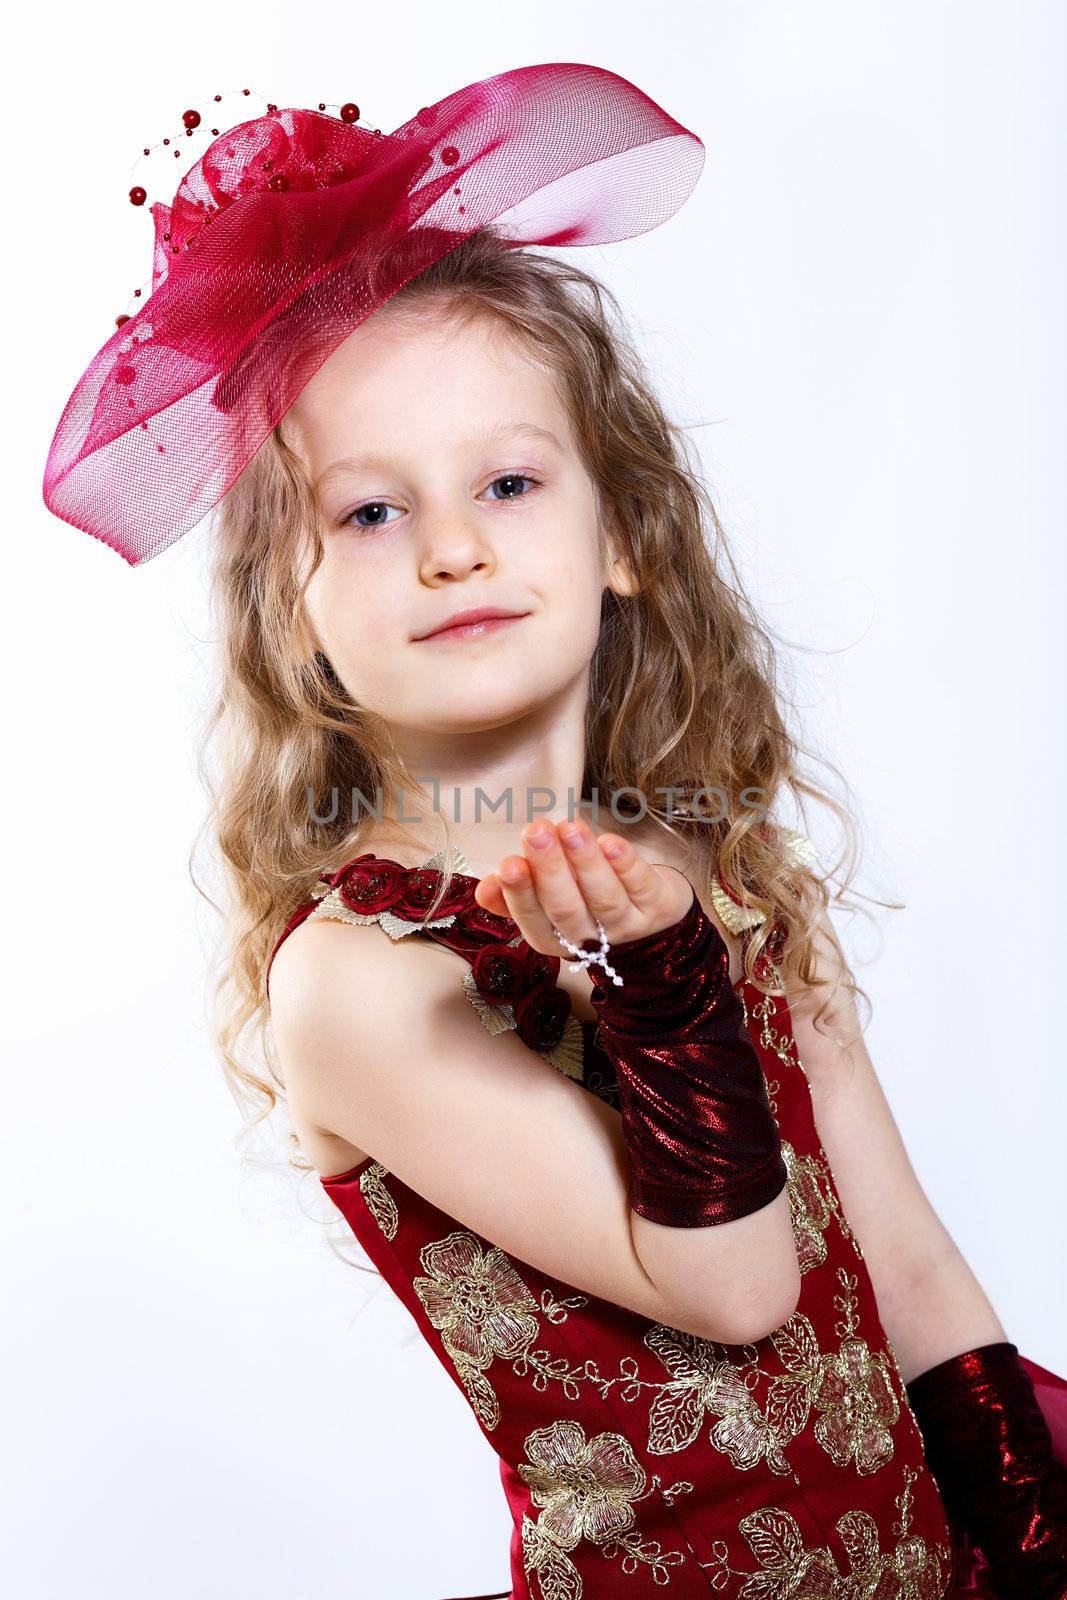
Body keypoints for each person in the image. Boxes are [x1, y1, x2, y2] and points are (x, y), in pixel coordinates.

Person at [42, 69, 1067, 1600]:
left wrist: (1031, 1542)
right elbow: (729, 1283)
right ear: (299, 618)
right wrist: (660, 977)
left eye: (509, 482)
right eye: (370, 514)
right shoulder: (365, 983)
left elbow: (906, 1263)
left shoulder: (724, 872)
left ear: (626, 539)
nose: (453, 545)